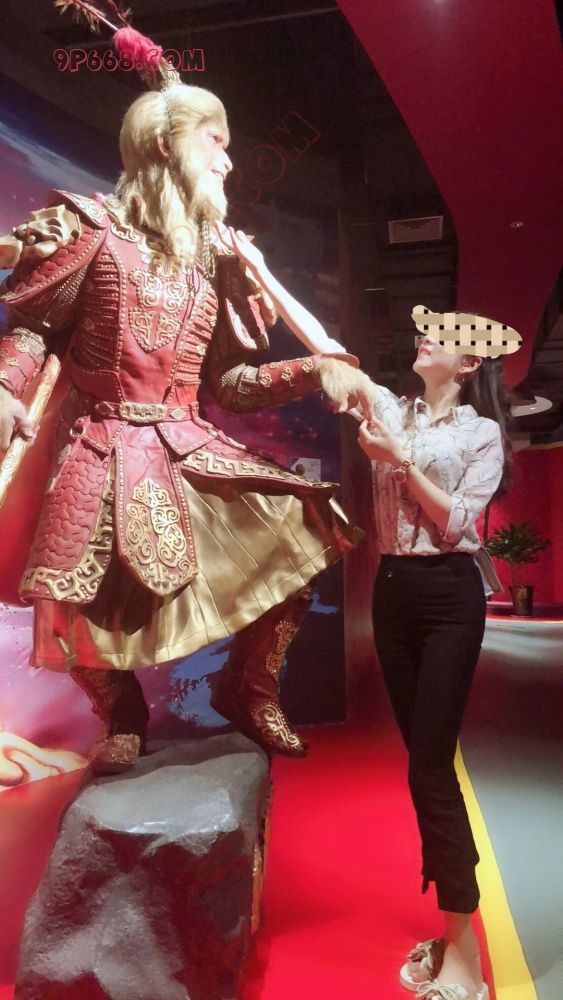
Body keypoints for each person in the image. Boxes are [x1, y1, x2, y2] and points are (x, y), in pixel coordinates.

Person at [0, 78, 375, 774]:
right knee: (74, 601)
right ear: (165, 143)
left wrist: (313, 370)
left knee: (302, 530)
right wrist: (3, 389)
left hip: (184, 438)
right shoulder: (86, 227)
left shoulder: (214, 257)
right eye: (216, 142)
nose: (228, 161)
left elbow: (228, 383)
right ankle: (122, 718)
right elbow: (32, 329)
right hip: (98, 444)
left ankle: (247, 688)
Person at [358, 325, 513, 1000]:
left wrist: (399, 461)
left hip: (450, 594)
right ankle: (453, 932)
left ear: (470, 360)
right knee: (423, 766)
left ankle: (463, 950)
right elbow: (327, 351)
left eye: (440, 333)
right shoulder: (390, 409)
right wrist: (255, 274)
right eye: (421, 330)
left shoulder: (481, 433)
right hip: (392, 590)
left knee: (428, 767)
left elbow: (458, 526)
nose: (422, 336)